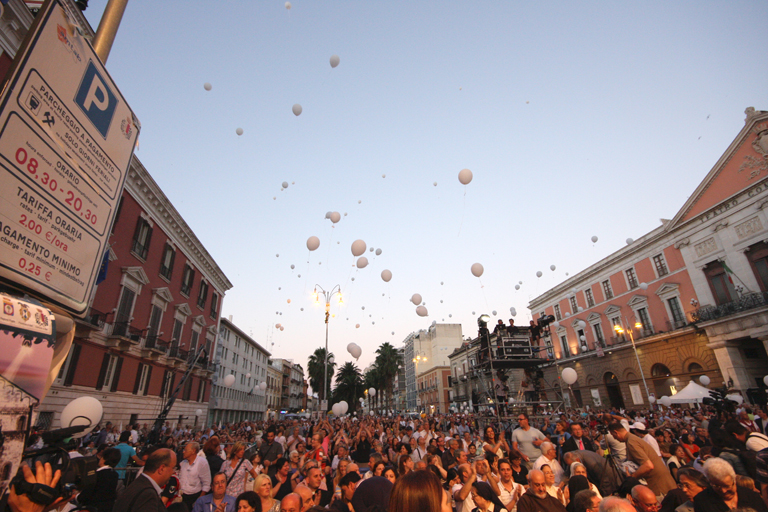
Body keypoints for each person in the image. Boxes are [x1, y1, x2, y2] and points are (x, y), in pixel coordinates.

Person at [607, 422, 676, 496]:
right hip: (663, 483)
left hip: (659, 487)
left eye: (613, 435)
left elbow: (648, 465)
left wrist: (632, 478)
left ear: (616, 432)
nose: (614, 438)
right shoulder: (633, 439)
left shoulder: (631, 441)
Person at [693, 457, 768, 512]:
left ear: (734, 480)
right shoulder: (702, 501)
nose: (723, 491)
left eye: (726, 486)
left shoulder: (752, 496)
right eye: (716, 486)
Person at [76, 447, 121, 512]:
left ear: (104, 459)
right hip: (108, 508)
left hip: (92, 508)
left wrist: (76, 496)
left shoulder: (96, 474)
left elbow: (86, 494)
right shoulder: (114, 474)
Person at [180, 441, 212, 510]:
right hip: (182, 496)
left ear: (193, 451)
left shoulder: (202, 463)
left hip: (194, 497)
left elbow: (206, 483)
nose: (183, 452)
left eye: (185, 450)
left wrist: (199, 499)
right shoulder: (183, 463)